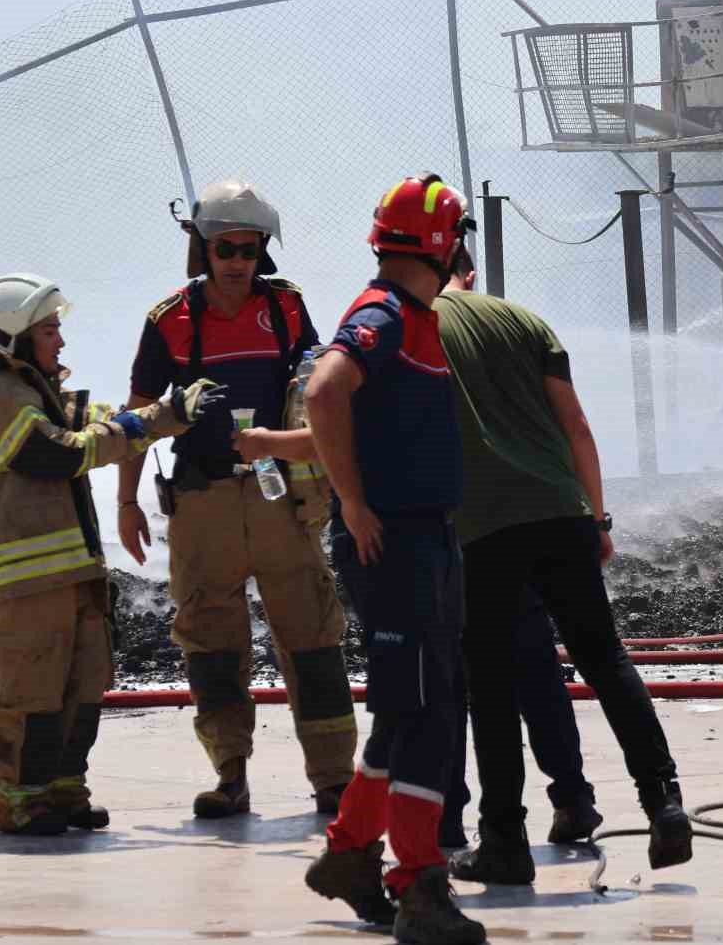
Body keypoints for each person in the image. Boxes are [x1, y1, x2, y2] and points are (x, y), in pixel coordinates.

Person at [435, 246, 693, 884]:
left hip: (484, 529)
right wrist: (597, 519)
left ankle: (504, 844)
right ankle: (663, 801)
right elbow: (576, 425)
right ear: (470, 272)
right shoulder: (526, 321)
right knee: (605, 658)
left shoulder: (415, 329)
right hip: (564, 514)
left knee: (490, 686)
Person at [116, 180, 357, 820]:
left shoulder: (285, 308)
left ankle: (334, 779)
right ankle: (230, 776)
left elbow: (322, 391)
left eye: (249, 250)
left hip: (284, 501)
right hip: (204, 504)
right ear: (203, 247)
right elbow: (138, 415)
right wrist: (126, 501)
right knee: (212, 642)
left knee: (313, 636)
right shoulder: (168, 320)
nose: (238, 262)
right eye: (226, 248)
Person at [0, 273, 222, 835]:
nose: (60, 340)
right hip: (27, 585)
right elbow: (60, 455)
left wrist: (173, 409)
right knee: (30, 695)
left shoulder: (42, 395)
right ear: (12, 337)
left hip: (70, 575)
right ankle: (20, 801)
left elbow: (108, 421)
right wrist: (157, 418)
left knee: (80, 689)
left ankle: (63, 793)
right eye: (49, 329)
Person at [303, 174, 485, 945]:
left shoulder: (419, 318)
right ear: (441, 244)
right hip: (395, 543)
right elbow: (322, 393)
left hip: (425, 539)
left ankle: (350, 854)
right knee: (427, 719)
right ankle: (417, 884)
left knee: (413, 710)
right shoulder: (381, 316)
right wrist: (351, 501)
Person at [439, 588, 602, 852]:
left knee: (460, 688)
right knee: (537, 671)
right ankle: (573, 799)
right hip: (518, 565)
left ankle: (451, 819)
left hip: (459, 570)